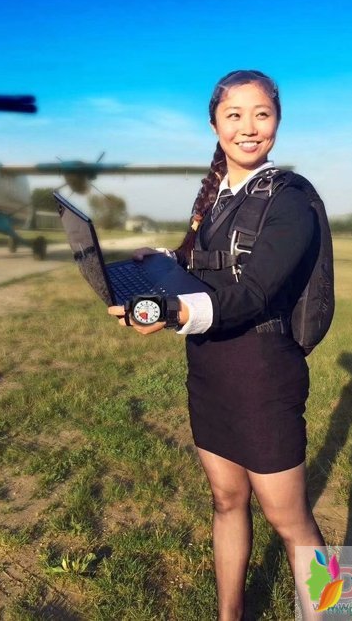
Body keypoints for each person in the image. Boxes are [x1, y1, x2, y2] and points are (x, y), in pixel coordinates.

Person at [108, 70, 327, 620]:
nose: (248, 128)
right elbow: (206, 266)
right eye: (234, 115)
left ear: (277, 121)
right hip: (210, 370)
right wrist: (161, 262)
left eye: (261, 114)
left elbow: (254, 292)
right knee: (227, 501)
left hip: (262, 375)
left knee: (291, 522)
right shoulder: (219, 197)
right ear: (214, 125)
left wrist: (175, 312)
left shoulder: (290, 199)